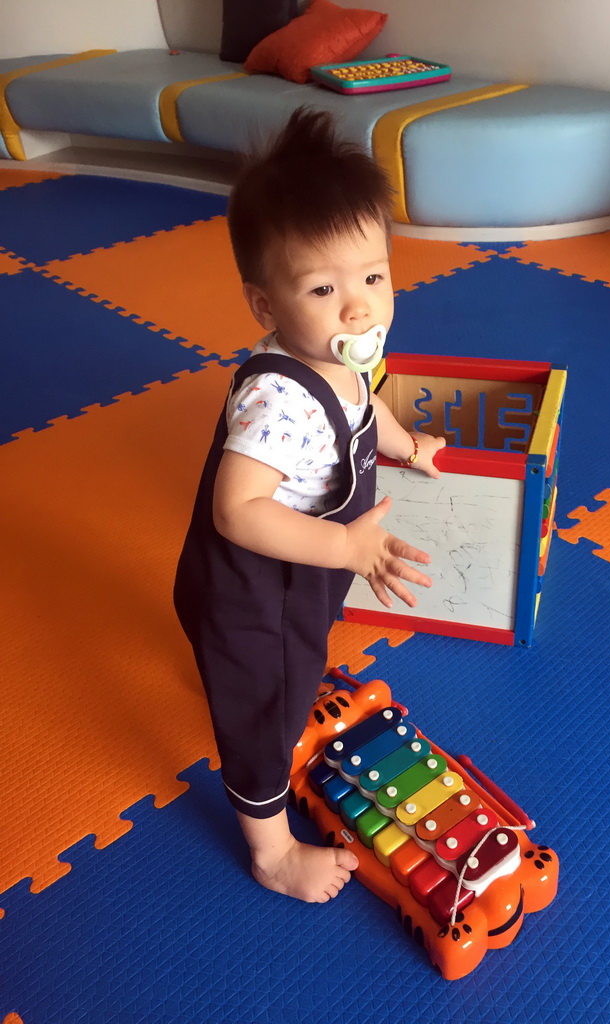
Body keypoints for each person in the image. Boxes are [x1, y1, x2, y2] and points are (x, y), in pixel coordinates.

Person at [173, 107, 445, 904]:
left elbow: (367, 402)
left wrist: (404, 446)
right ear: (265, 306)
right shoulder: (278, 401)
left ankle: (231, 675)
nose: (358, 307)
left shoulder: (343, 352)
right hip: (259, 586)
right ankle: (269, 851)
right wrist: (347, 551)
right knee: (267, 716)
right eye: (323, 287)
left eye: (372, 276)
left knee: (264, 669)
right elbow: (237, 510)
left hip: (294, 577)